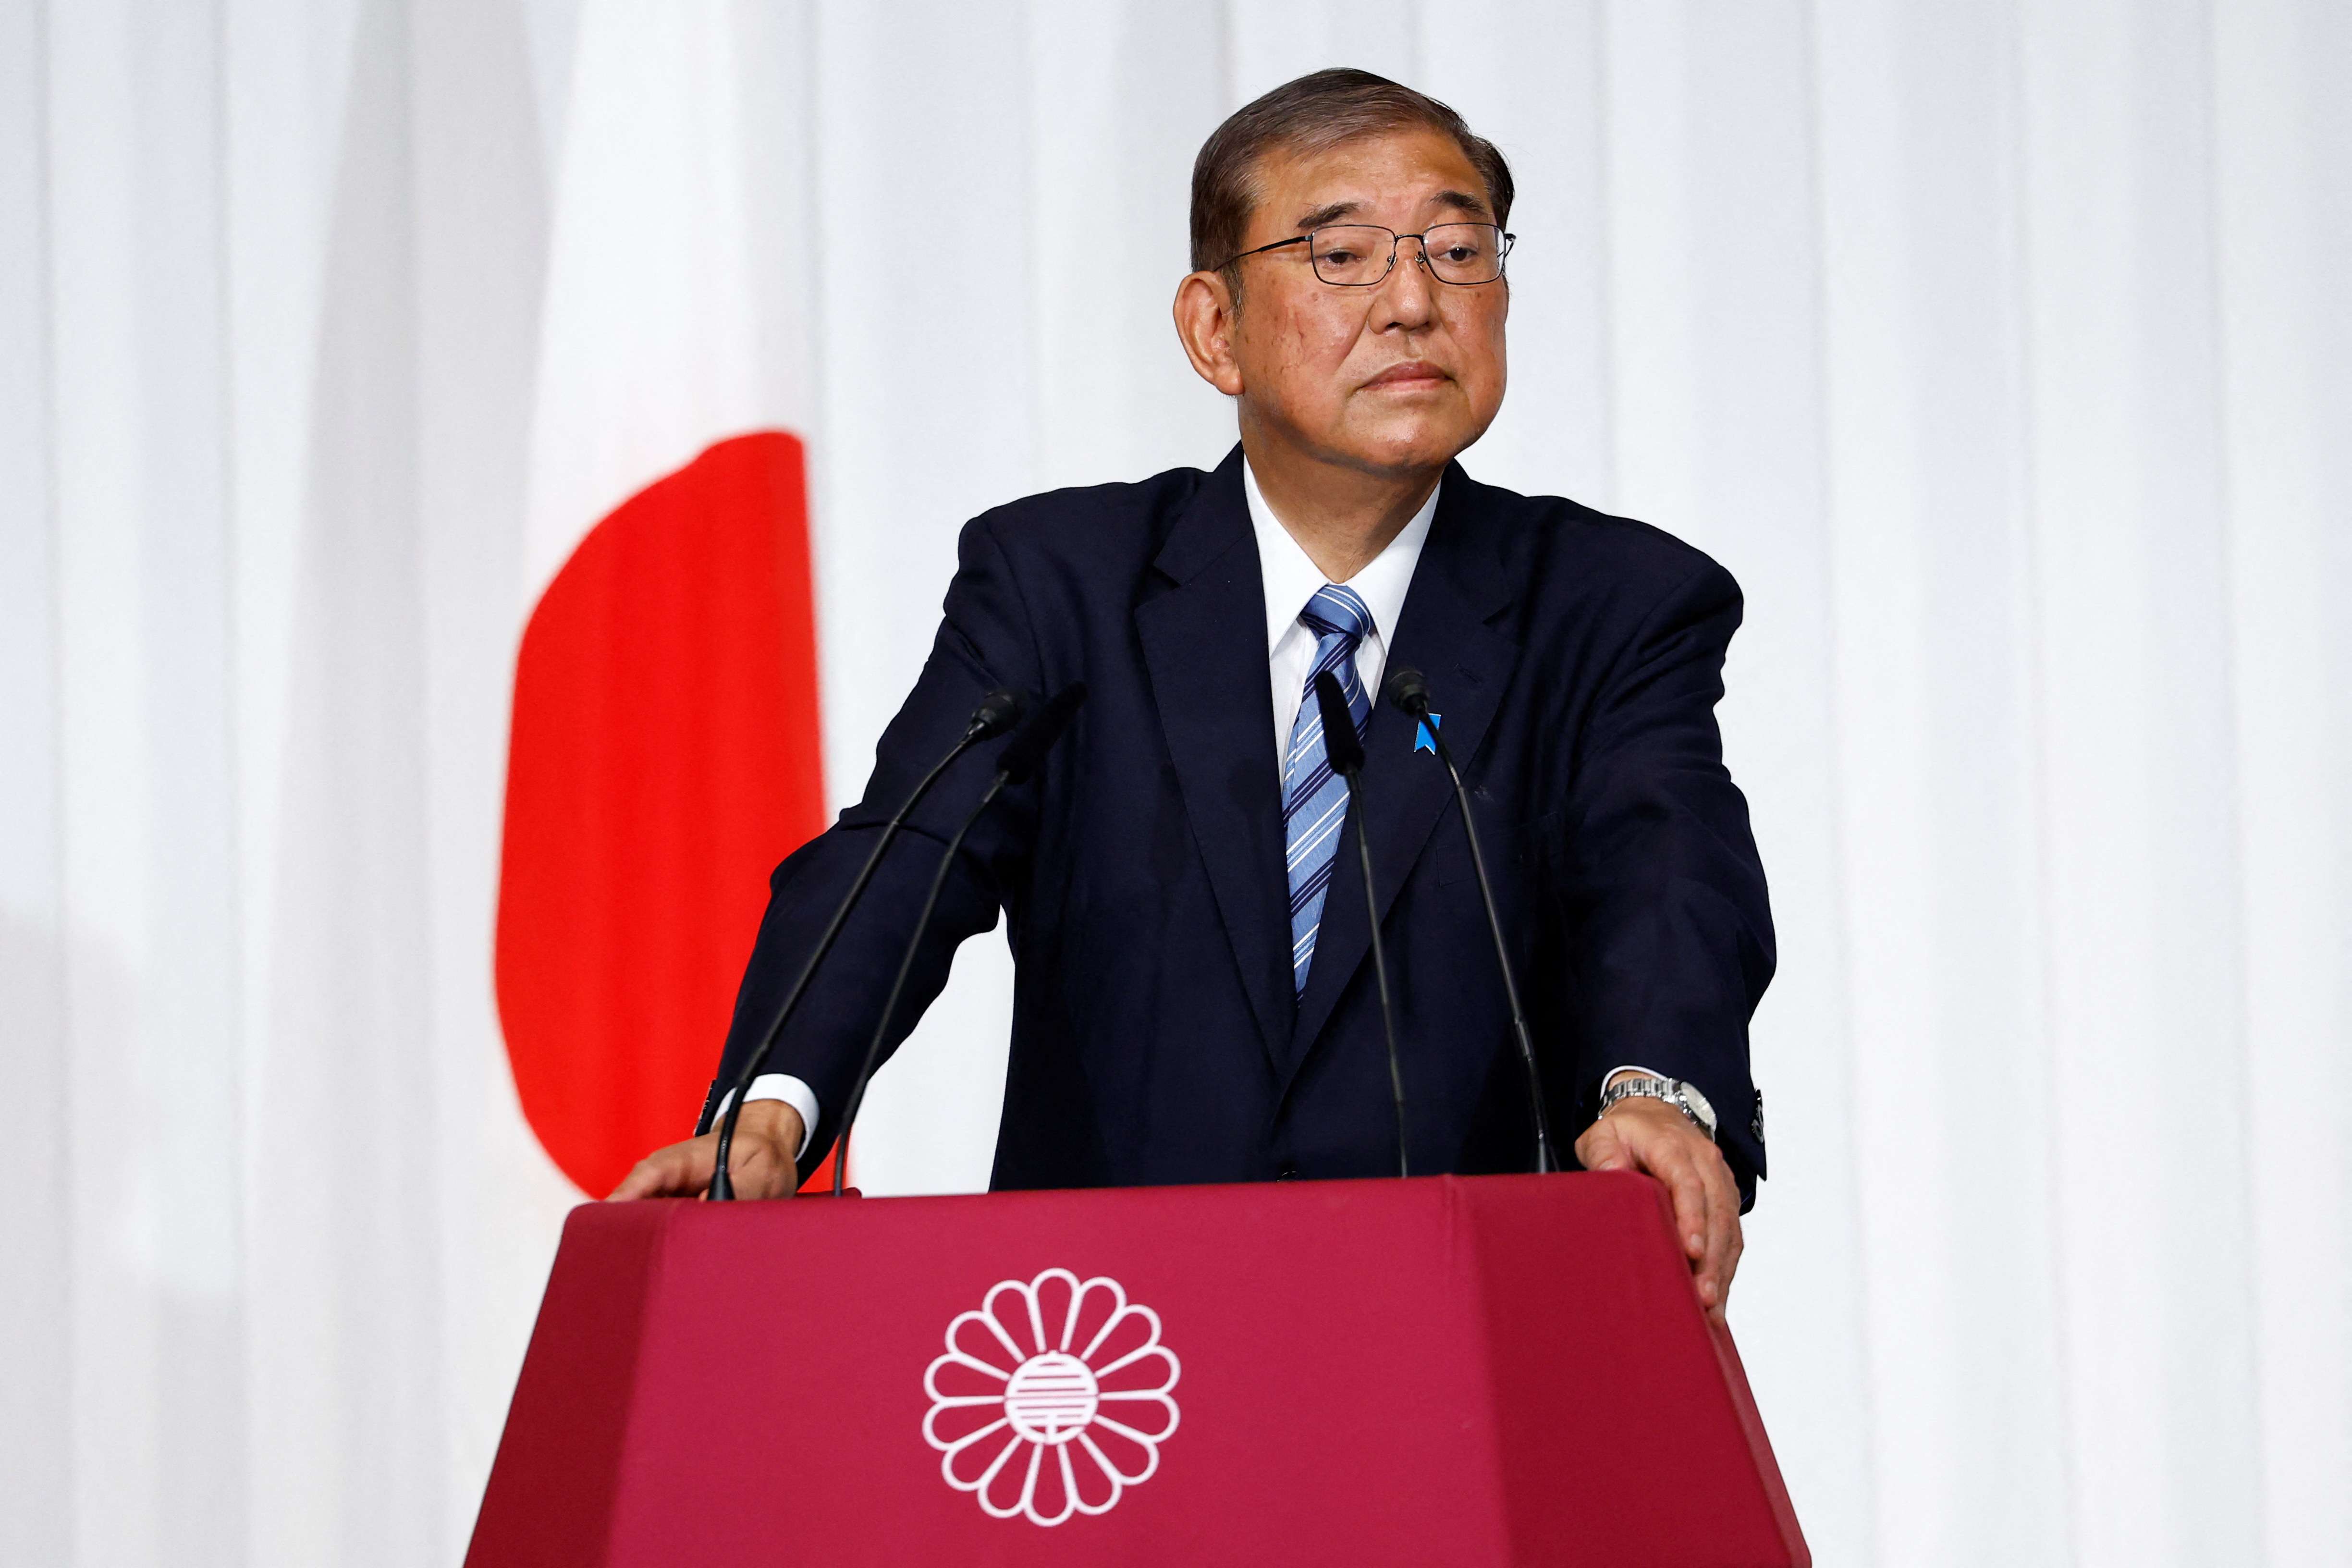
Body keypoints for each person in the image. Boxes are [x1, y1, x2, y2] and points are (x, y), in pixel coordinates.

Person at [612, 68, 1772, 1322]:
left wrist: (1658, 1093)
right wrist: (773, 1109)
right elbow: (907, 854)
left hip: (1469, 1343)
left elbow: (1667, 868)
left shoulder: (1614, 602)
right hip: (1105, 1363)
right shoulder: (1065, 585)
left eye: (1455, 247)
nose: (1414, 301)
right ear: (1214, 327)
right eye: (1342, 255)